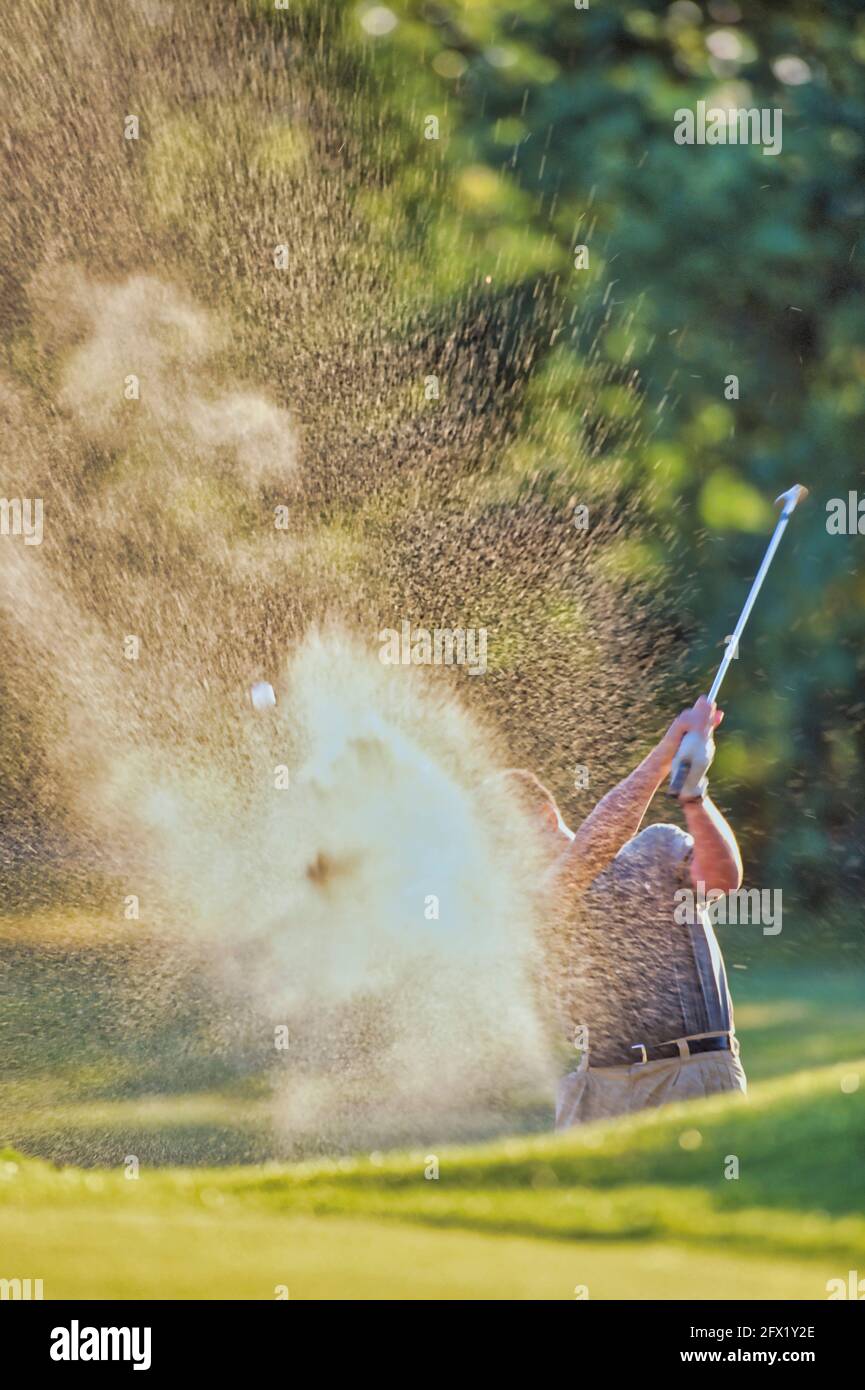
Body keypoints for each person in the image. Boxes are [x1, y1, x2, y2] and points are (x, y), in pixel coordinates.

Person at [507, 695, 747, 1126]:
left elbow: (723, 879)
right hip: (598, 1087)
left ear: (544, 817)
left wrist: (693, 795)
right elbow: (591, 849)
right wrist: (665, 753)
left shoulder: (656, 847)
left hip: (692, 1073)